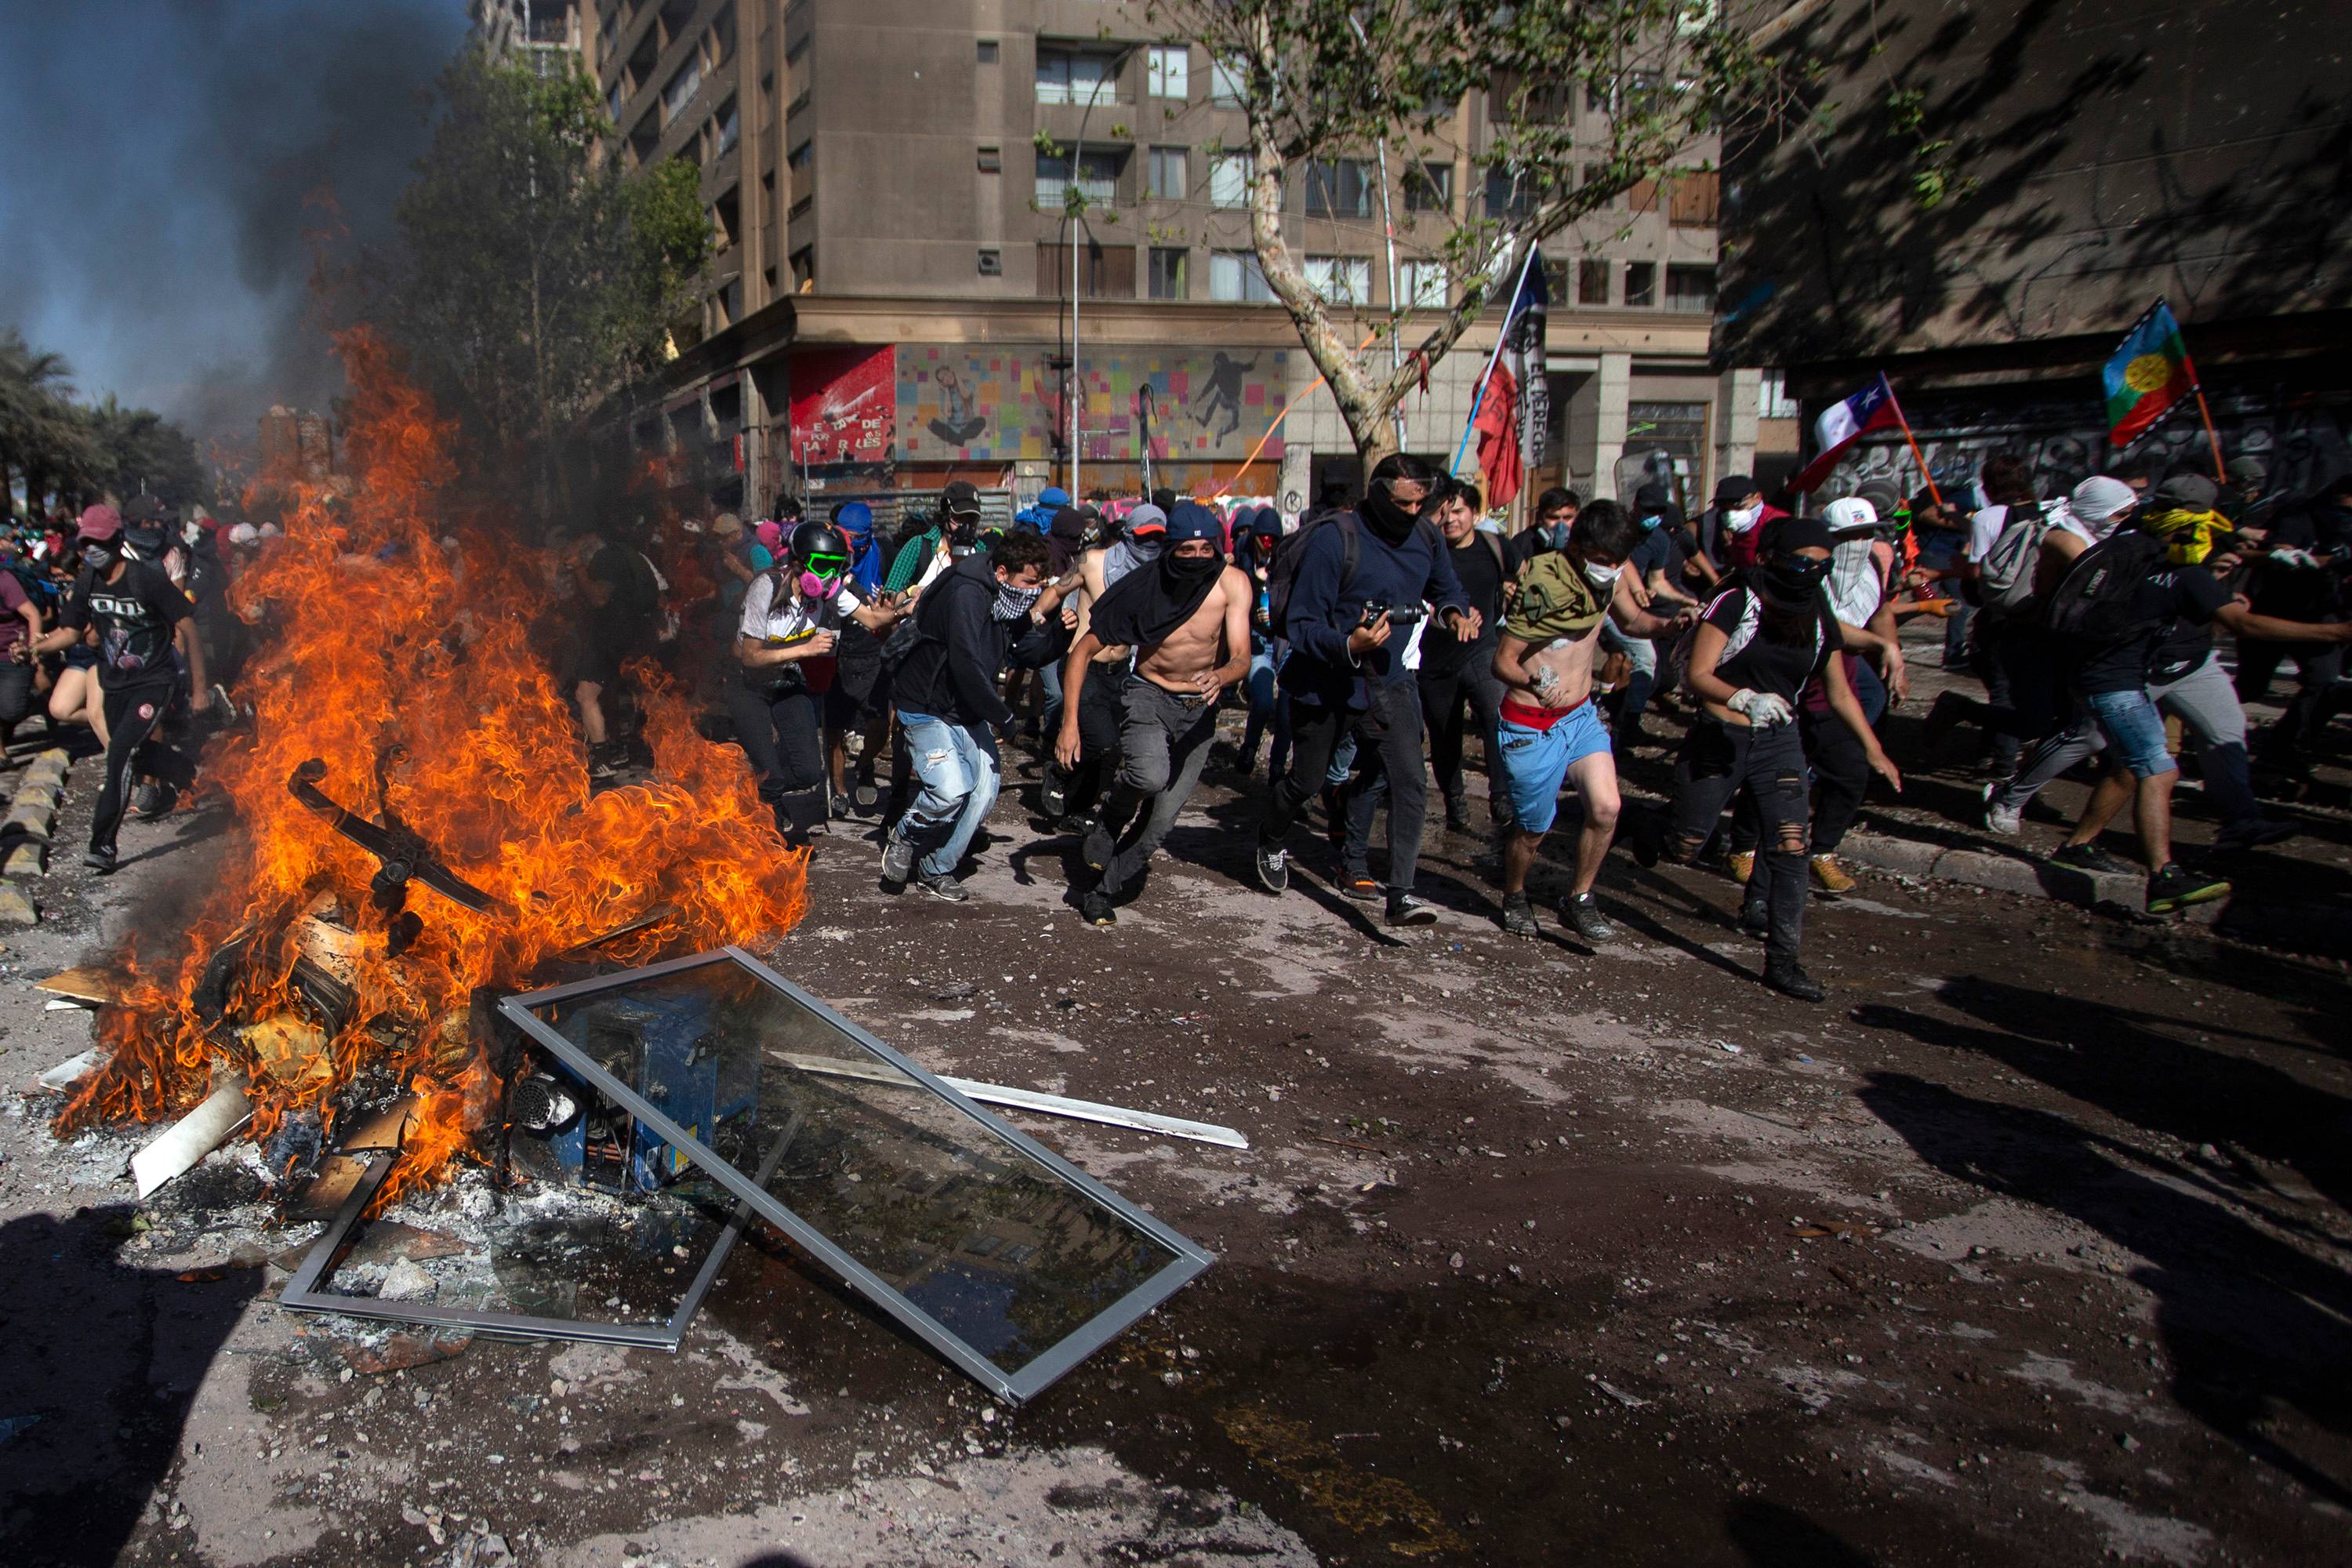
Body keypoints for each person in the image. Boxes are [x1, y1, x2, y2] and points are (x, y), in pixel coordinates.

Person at [2036, 493, 2350, 902]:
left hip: (2100, 673)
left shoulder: (2125, 550)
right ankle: (2164, 878)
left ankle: (2077, 847)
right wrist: (2337, 633)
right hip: (2116, 683)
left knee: (2132, 767)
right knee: (2159, 771)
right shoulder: (2183, 573)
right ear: (2191, 530)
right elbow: (2244, 626)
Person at [1642, 515, 1900, 1001]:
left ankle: (1783, 959)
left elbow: (1839, 692)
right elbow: (1698, 674)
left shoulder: (1817, 612)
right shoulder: (1736, 600)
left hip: (1779, 739)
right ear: (1770, 559)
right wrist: (1744, 699)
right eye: (1801, 563)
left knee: (1790, 845)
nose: (1811, 574)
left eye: (1821, 567)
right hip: (1722, 733)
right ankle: (1644, 825)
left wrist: (1874, 749)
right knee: (1686, 844)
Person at [1251, 452, 1477, 927]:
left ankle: (1401, 893)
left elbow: (1447, 587)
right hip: (1326, 682)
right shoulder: (1337, 540)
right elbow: (1302, 623)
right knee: (1306, 783)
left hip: (1390, 682)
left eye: (1422, 505)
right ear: (1378, 494)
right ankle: (1271, 838)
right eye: (1404, 504)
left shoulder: (1426, 537)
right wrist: (1347, 643)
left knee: (1411, 781)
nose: (1414, 514)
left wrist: (1455, 613)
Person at [1056, 504, 1251, 924]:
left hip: (1199, 709)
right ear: (1170, 550)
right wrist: (1069, 724)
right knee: (1147, 776)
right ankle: (1109, 819)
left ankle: (1103, 890)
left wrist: (1222, 675)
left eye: (1207, 548)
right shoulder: (1146, 588)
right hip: (1149, 695)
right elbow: (1082, 653)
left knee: (1160, 822)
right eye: (1188, 549)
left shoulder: (1232, 584)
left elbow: (1241, 657)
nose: (1199, 557)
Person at [1489, 501, 1661, 941]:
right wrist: (1536, 680)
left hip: (1580, 717)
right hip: (1531, 723)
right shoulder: (1543, 585)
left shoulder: (1610, 578)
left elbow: (1634, 620)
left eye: (1617, 562)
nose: (1610, 569)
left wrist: (1672, 623)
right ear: (1579, 547)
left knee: (1607, 809)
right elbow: (1503, 662)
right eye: (1602, 561)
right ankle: (1514, 893)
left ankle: (1579, 897)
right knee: (1532, 831)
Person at [16, 506, 212, 873]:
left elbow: (188, 627)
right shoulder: (88, 581)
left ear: (118, 541)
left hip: (154, 681)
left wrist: (199, 689)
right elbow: (71, 632)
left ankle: (102, 845)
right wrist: (35, 647)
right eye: (87, 541)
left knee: (120, 754)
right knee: (134, 752)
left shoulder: (145, 579)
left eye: (100, 541)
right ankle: (183, 772)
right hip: (114, 682)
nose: (92, 548)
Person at [881, 528, 1072, 900]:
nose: (1036, 591)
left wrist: (1059, 638)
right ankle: (904, 834)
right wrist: (1003, 716)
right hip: (927, 706)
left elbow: (1025, 651)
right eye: (1030, 582)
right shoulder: (968, 593)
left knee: (984, 790)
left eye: (1040, 583)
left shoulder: (1007, 598)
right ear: (1002, 572)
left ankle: (937, 868)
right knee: (950, 790)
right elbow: (966, 662)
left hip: (965, 708)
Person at [729, 521, 911, 845]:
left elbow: (870, 618)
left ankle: (760, 787)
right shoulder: (766, 587)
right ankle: (765, 810)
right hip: (749, 686)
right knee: (772, 777)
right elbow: (750, 656)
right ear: (798, 564)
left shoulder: (828, 589)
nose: (828, 575)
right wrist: (805, 649)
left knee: (808, 772)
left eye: (835, 567)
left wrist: (899, 611)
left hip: (786, 682)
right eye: (821, 566)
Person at [2234, 470, 2350, 767]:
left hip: (2321, 613)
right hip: (2273, 612)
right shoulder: (2301, 515)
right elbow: (2275, 551)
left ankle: (2283, 749)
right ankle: (2196, 727)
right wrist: (2306, 558)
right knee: (2251, 686)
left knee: (2323, 682)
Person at [1418, 480, 1515, 834]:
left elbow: (1518, 580)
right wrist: (1448, 615)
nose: (1452, 520)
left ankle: (1501, 796)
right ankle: (1454, 800)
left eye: (1459, 511)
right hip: (1436, 660)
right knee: (1445, 738)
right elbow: (1418, 601)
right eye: (1447, 512)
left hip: (1483, 649)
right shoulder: (1427, 553)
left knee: (1495, 715)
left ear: (1475, 513)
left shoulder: (1495, 548)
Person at [568, 530, 662, 780]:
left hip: (611, 636)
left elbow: (598, 598)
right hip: (637, 633)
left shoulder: (604, 560)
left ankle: (600, 759)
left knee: (585, 693)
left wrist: (578, 568)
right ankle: (630, 748)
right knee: (632, 692)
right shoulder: (632, 556)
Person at [1234, 507, 1290, 779]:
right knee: (1264, 701)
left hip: (1284, 641)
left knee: (1287, 709)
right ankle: (1249, 747)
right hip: (1257, 642)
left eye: (1273, 538)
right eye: (1263, 537)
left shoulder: (1286, 564)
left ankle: (1277, 765)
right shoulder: (1242, 565)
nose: (1267, 543)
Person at [1506, 487, 1577, 574]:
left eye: (1567, 518)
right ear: (1539, 517)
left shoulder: (1582, 545)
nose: (1561, 526)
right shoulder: (1523, 543)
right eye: (1553, 518)